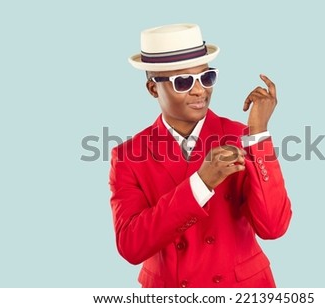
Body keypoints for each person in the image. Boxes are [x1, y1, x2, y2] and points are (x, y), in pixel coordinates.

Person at [109, 23, 292, 288]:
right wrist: (201, 183)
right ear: (152, 89)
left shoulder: (240, 136)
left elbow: (273, 227)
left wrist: (259, 134)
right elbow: (131, 247)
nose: (199, 91)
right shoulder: (128, 155)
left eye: (207, 78)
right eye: (183, 82)